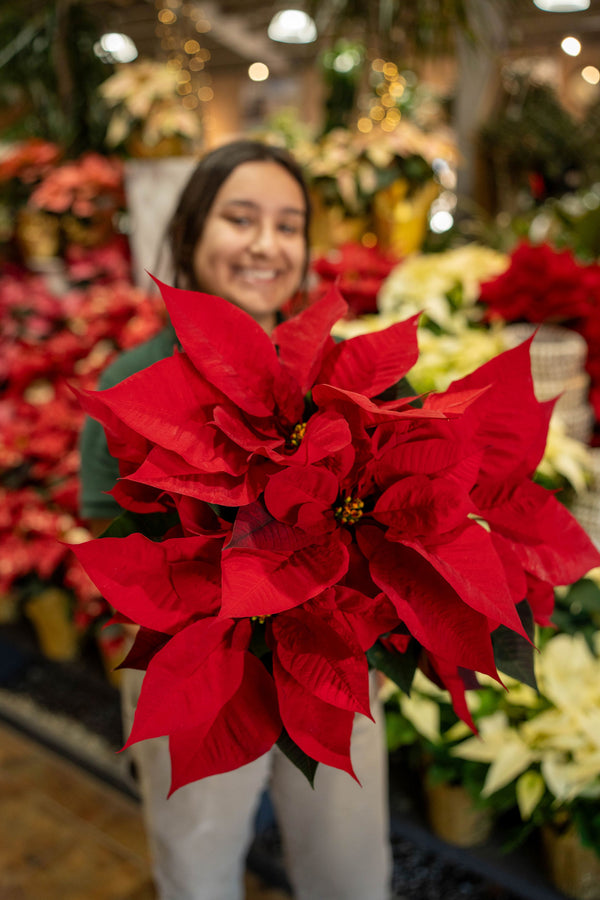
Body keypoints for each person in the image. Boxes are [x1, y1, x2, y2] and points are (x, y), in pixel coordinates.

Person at [79, 139, 393, 900]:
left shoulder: (340, 368)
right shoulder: (131, 380)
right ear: (189, 232)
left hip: (327, 656)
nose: (266, 244)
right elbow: (103, 518)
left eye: (288, 226)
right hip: (200, 668)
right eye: (240, 218)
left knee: (349, 866)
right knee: (196, 865)